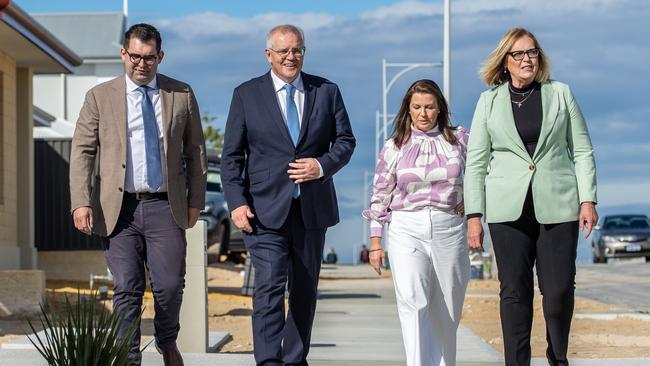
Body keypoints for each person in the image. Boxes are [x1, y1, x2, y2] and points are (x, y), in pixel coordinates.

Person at [69, 23, 207, 366]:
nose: (141, 64)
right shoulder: (100, 97)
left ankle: (166, 339)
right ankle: (128, 358)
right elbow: (82, 151)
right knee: (127, 287)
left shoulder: (181, 94)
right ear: (123, 54)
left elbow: (197, 152)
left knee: (170, 285)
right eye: (134, 56)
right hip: (119, 209)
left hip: (166, 206)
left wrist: (195, 203)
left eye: (148, 58)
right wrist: (81, 200)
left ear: (159, 57)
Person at [221, 24, 355, 366]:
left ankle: (294, 359)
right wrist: (236, 203)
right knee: (267, 288)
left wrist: (321, 166)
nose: (291, 57)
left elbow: (345, 141)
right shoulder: (246, 95)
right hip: (264, 210)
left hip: (313, 210)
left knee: (305, 292)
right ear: (269, 54)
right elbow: (232, 157)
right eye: (283, 51)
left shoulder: (327, 91)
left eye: (297, 50)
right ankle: (268, 361)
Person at [464, 28, 598, 366]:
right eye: (520, 54)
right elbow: (477, 162)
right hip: (506, 210)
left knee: (558, 292)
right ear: (505, 62)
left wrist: (587, 200)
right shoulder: (488, 101)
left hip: (559, 205)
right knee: (514, 292)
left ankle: (558, 355)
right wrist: (474, 215)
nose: (528, 59)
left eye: (533, 52)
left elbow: (581, 150)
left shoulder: (560, 94)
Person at [362, 79, 470, 366]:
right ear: (408, 110)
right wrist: (375, 242)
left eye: (429, 107)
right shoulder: (395, 146)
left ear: (440, 109)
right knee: (413, 302)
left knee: (447, 310)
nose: (423, 114)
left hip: (450, 227)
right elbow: (380, 196)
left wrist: (471, 203)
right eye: (417, 107)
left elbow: (485, 173)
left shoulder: (460, 139)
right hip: (406, 227)